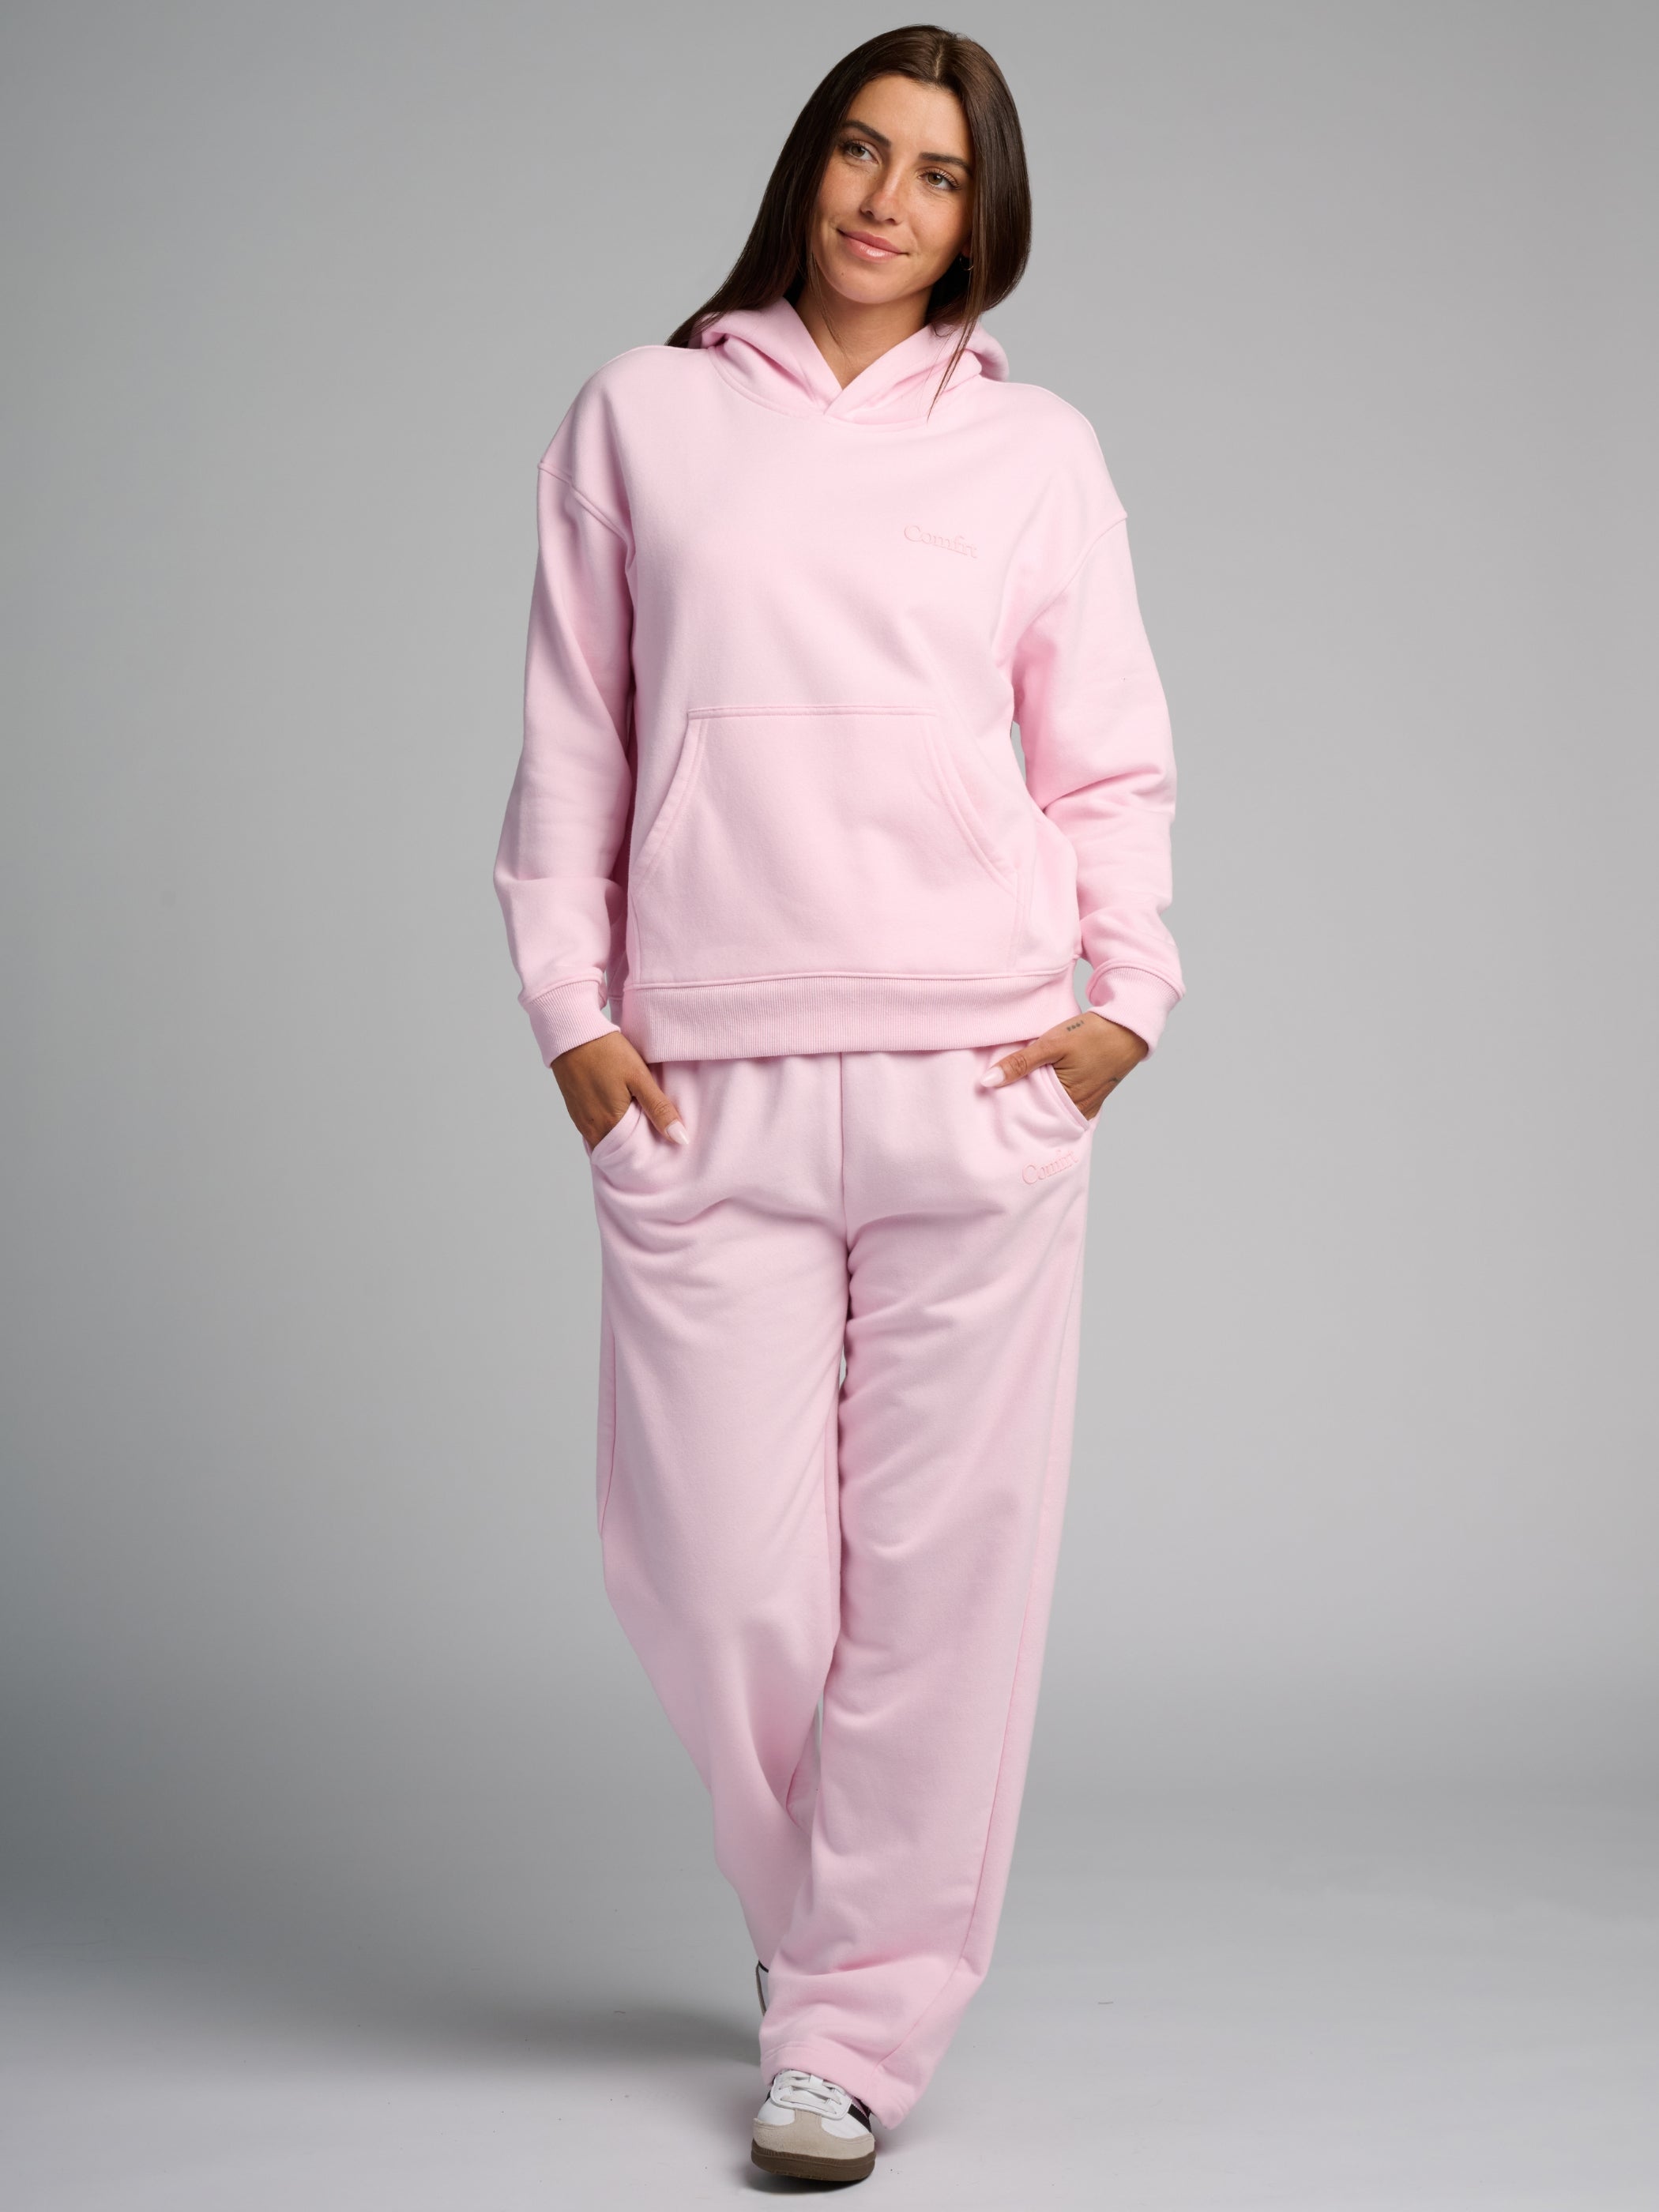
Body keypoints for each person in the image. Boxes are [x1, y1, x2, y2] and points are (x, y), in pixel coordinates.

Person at [493, 23, 1183, 2186]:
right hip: (704, 1081)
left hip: (974, 1068)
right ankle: (835, 1932)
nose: (889, 201)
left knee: (943, 1584)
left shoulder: (1038, 449)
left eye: (940, 173)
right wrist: (574, 1017)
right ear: (807, 167)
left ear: (985, 215)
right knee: (717, 1580)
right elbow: (577, 735)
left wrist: (1126, 1006)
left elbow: (1104, 751)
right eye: (863, 153)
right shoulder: (643, 414)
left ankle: (853, 2026)